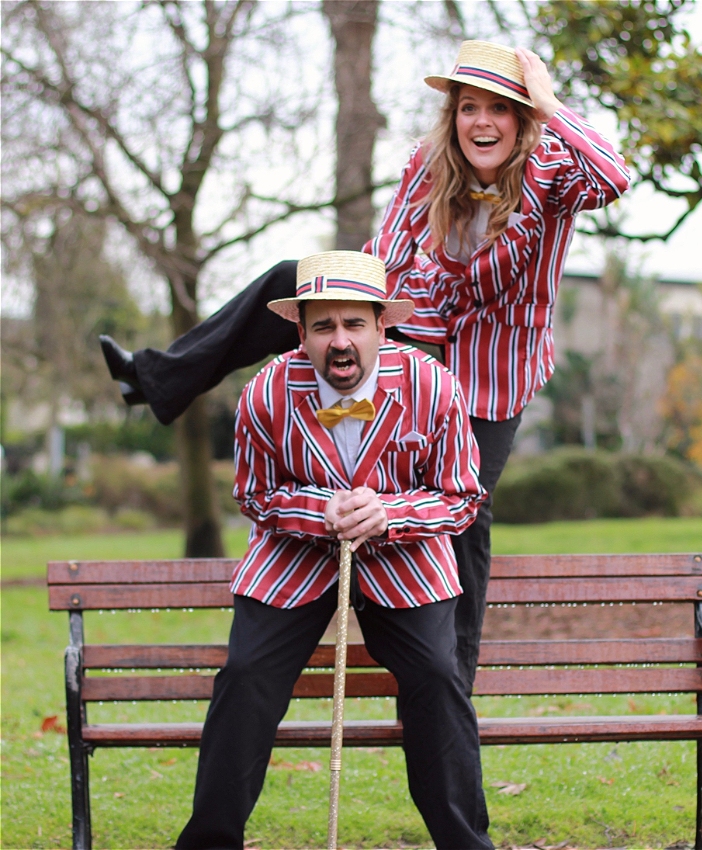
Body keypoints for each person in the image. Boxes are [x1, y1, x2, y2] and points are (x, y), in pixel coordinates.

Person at [100, 41, 630, 694]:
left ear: (523, 119)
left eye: (500, 107)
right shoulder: (427, 163)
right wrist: (351, 306)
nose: (482, 122)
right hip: (416, 331)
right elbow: (384, 252)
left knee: (465, 509)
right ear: (452, 115)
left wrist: (549, 104)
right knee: (294, 279)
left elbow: (612, 176)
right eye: (468, 108)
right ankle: (155, 379)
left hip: (493, 370)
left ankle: (447, 694)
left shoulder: (551, 171)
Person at [174, 250, 492, 850]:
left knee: (437, 676)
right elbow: (255, 493)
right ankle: (209, 842)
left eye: (354, 324)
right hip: (293, 558)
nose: (339, 341)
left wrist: (389, 513)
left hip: (406, 560)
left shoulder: (433, 386)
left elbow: (461, 498)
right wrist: (319, 511)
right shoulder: (266, 392)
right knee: (244, 676)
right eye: (323, 326)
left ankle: (465, 844)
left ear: (381, 325)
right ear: (301, 332)